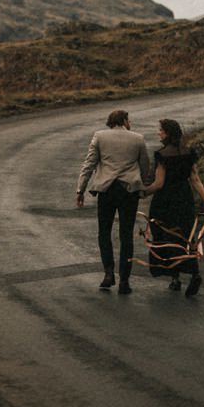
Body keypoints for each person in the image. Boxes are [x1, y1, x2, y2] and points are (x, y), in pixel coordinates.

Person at [76, 109, 151, 294]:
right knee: (126, 235)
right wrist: (143, 187)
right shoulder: (138, 138)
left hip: (106, 190)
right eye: (129, 120)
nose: (130, 123)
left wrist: (81, 189)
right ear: (124, 120)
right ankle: (125, 280)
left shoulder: (100, 137)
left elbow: (89, 164)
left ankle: (108, 273)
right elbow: (145, 166)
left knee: (104, 232)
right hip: (128, 191)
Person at [142, 119, 204, 297]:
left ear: (167, 133)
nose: (158, 133)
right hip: (184, 199)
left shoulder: (162, 155)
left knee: (166, 236)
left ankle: (174, 278)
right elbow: (195, 180)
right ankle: (194, 273)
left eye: (160, 130)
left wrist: (142, 193)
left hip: (165, 201)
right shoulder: (188, 152)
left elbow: (159, 184)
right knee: (185, 236)